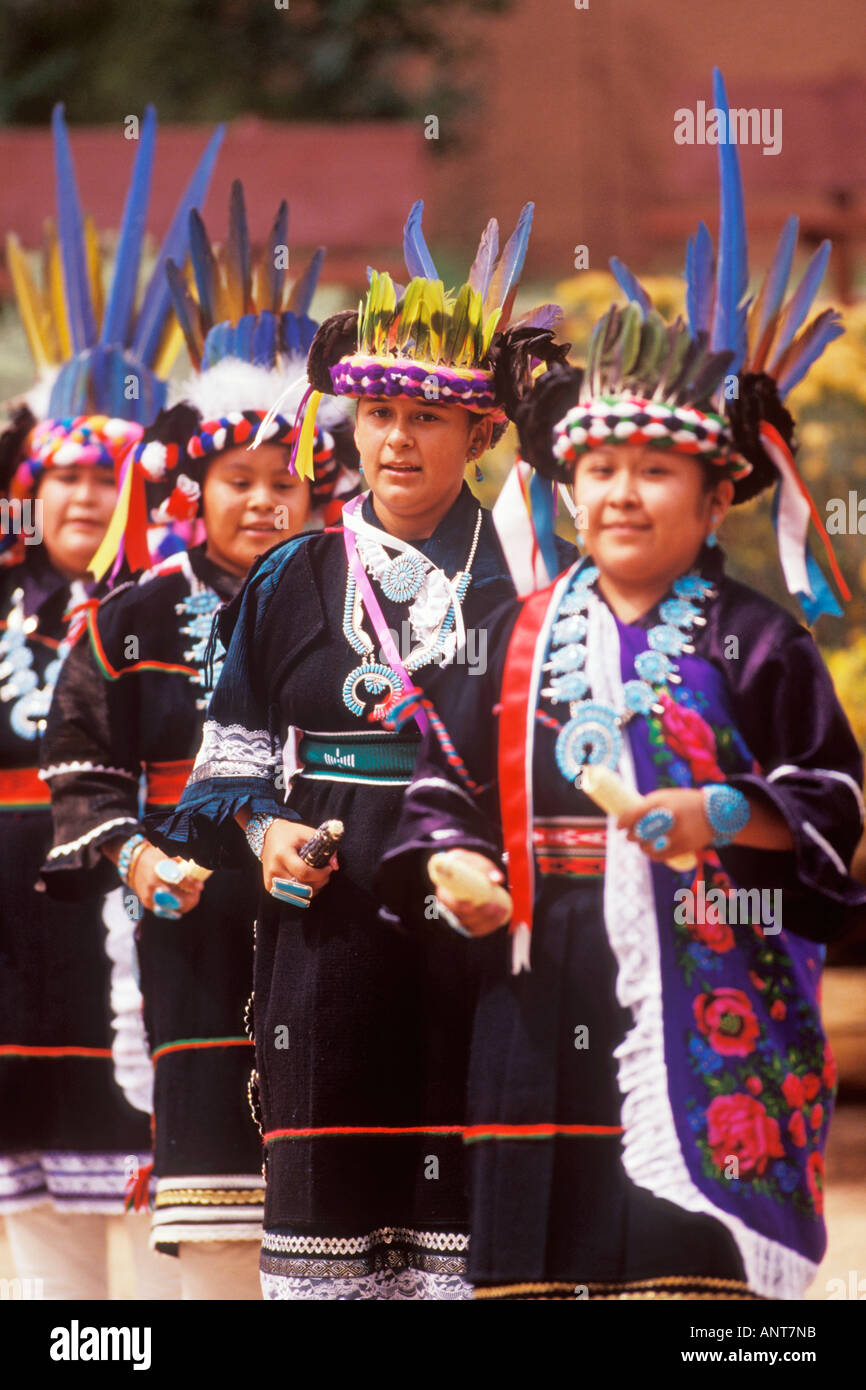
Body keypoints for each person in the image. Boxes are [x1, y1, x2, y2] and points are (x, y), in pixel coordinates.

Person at [379, 73, 866, 1301]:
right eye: (597, 467)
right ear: (564, 486)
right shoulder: (510, 630)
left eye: (655, 470)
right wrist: (453, 864)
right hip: (536, 991)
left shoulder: (757, 642)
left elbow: (833, 800)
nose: (619, 494)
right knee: (540, 1265)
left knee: (684, 1285)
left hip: (711, 980)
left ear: (714, 501)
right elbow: (441, 781)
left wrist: (721, 813)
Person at [150, 201, 571, 1298]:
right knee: (337, 1228)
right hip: (327, 936)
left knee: (474, 1219)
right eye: (376, 410)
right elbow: (228, 754)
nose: (393, 438)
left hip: (485, 927)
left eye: (425, 418)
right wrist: (263, 827)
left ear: (480, 434)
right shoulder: (293, 577)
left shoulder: (525, 572)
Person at [40, 182, 358, 1301]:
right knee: (219, 1231)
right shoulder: (129, 619)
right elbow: (78, 770)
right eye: (240, 481)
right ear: (197, 486)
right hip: (195, 933)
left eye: (287, 481)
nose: (265, 501)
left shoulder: (359, 604)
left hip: (331, 929)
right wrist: (140, 859)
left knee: (335, 1215)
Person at [0, 103, 222, 1299]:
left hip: (147, 929)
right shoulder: (6, 609)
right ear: (32, 486)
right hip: (12, 949)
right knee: (40, 1232)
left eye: (113, 472)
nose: (89, 495)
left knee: (173, 1206)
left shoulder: (177, 614)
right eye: (68, 473)